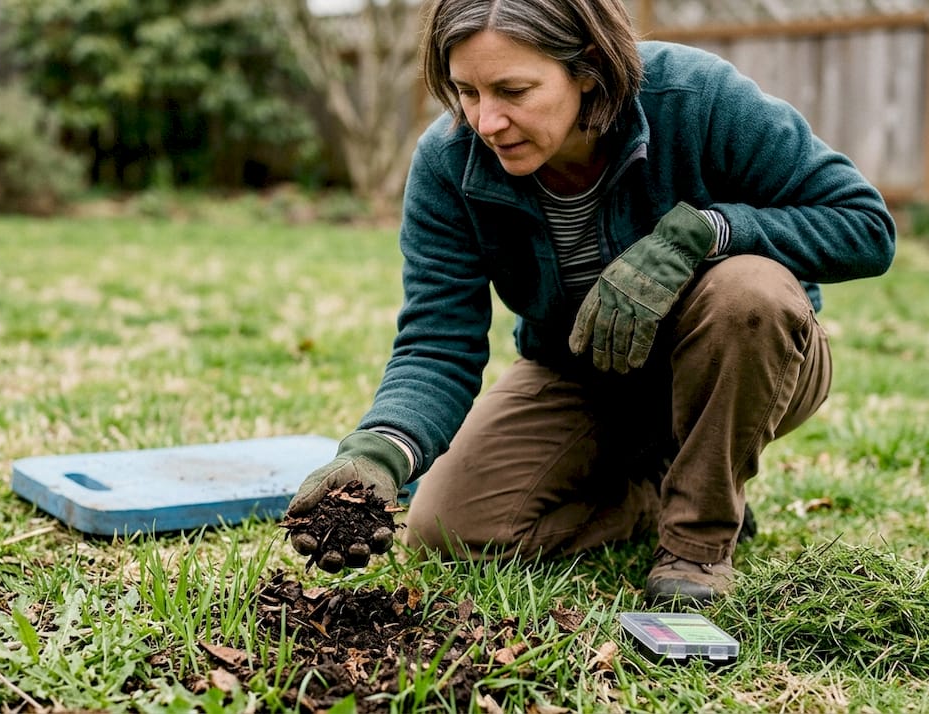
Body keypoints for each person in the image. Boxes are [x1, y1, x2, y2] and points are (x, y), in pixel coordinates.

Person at [284, 0, 895, 608]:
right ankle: (657, 490)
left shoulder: (696, 98)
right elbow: (438, 342)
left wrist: (707, 232)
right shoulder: (448, 163)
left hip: (749, 355)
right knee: (446, 529)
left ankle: (698, 541)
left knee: (750, 291)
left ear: (589, 67)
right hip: (585, 373)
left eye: (513, 90)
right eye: (467, 92)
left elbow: (865, 228)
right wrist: (377, 453)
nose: (486, 122)